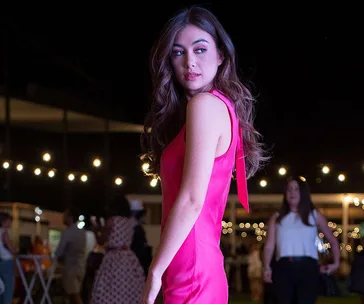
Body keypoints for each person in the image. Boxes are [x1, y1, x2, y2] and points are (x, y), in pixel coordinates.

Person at [140, 5, 267, 303]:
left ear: (221, 54)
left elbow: (192, 199)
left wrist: (155, 271)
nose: (189, 62)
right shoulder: (217, 107)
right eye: (178, 52)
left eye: (200, 49)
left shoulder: (205, 106)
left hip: (191, 267)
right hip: (193, 262)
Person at [263, 176, 340, 304]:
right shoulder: (277, 217)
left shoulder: (314, 215)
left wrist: (336, 263)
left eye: (296, 189)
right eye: (289, 189)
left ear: (303, 193)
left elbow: (332, 239)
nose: (292, 193)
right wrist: (266, 267)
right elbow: (269, 245)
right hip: (283, 268)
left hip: (308, 268)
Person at [90, 195, 145, 304]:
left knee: (108, 289)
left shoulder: (112, 220)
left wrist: (95, 230)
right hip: (129, 257)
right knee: (128, 289)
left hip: (113, 257)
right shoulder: (131, 221)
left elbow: (101, 241)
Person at [55, 208, 87, 304]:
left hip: (71, 268)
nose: (63, 218)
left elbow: (59, 252)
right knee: (75, 294)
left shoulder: (68, 233)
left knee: (74, 295)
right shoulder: (82, 232)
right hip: (81, 267)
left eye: (65, 216)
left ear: (71, 218)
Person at [0, 211, 16, 303]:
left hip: (1, 261)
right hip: (7, 260)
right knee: (9, 287)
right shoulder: (4, 232)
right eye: (9, 221)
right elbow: (10, 246)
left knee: (1, 287)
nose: (11, 223)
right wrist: (16, 252)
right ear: (3, 222)